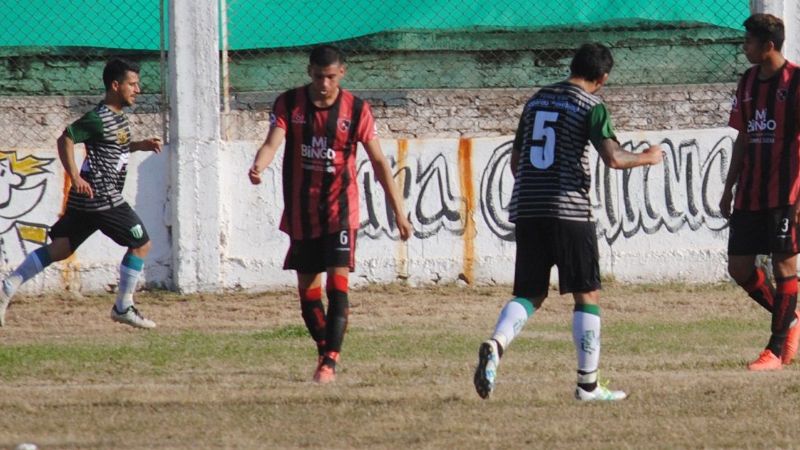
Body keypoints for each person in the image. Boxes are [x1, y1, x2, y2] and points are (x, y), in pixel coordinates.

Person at [473, 43, 663, 401]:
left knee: (530, 292)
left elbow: (516, 162)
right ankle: (587, 386)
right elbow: (614, 158)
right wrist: (649, 157)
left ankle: (496, 344)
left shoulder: (535, 101)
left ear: (571, 65)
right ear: (602, 78)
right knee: (586, 294)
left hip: (528, 209)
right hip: (570, 211)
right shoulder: (591, 106)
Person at [248, 45, 412, 384]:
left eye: (331, 77)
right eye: (319, 76)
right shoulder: (289, 104)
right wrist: (258, 166)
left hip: (340, 211)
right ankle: (326, 349)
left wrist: (399, 212)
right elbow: (272, 142)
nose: (324, 83)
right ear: (309, 72)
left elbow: (380, 162)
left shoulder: (357, 110)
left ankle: (329, 363)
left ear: (342, 74)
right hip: (301, 211)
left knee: (338, 289)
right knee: (308, 296)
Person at [0, 58, 163, 329]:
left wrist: (139, 145)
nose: (138, 89)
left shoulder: (118, 118)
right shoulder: (97, 118)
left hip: (87, 199)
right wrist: (74, 176)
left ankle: (9, 285)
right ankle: (123, 307)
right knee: (141, 244)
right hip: (102, 197)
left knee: (61, 248)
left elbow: (114, 147)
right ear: (115, 85)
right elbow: (66, 138)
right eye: (132, 84)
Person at [720, 14, 800, 371]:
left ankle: (776, 349)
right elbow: (742, 136)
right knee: (739, 267)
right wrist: (728, 186)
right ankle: (791, 319)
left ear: (768, 45)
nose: (744, 47)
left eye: (749, 41)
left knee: (785, 265)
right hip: (750, 192)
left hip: (786, 192)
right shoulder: (748, 81)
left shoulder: (796, 82)